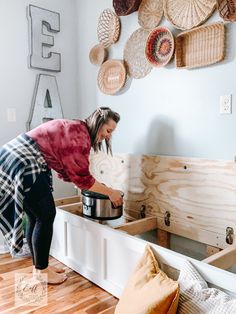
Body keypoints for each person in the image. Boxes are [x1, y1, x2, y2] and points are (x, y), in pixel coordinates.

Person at [0, 107, 123, 284]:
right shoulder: (79, 136)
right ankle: (41, 272)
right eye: (108, 130)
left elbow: (72, 171)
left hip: (14, 157)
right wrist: (110, 192)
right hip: (24, 160)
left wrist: (94, 185)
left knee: (35, 217)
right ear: (98, 123)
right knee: (46, 215)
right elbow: (82, 178)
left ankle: (39, 268)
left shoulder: (76, 128)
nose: (108, 136)